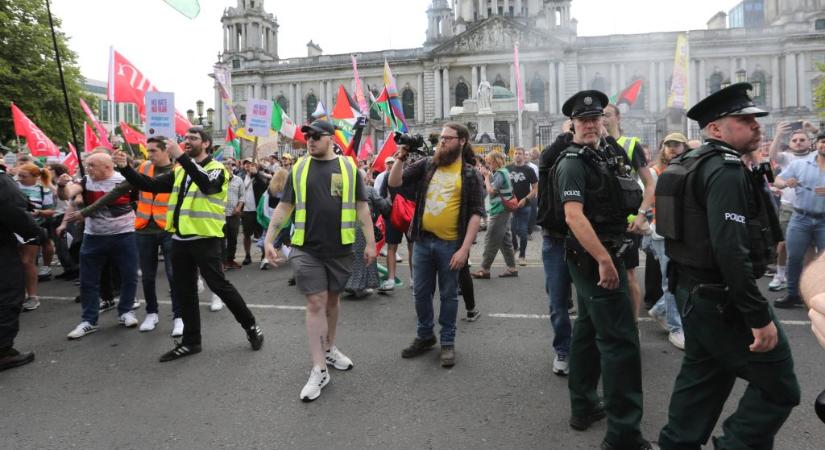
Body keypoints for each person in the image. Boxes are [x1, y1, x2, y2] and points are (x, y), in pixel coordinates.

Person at [656, 83, 800, 448]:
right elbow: (729, 250)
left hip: (693, 291)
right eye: (744, 119)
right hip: (722, 299)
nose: (756, 125)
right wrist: (757, 316)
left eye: (755, 119)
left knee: (703, 380)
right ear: (716, 129)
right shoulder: (725, 169)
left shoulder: (692, 161)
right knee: (779, 385)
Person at [112, 128, 264, 362]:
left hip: (206, 240)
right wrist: (125, 168)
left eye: (193, 138)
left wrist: (181, 157)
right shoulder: (180, 172)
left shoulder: (218, 170)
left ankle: (251, 326)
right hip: (180, 240)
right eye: (186, 138)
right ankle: (191, 341)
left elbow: (207, 186)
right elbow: (149, 184)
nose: (187, 141)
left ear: (207, 144)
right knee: (185, 291)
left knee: (220, 286)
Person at [554, 91, 652, 449]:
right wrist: (604, 261)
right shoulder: (572, 162)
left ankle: (583, 406)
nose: (592, 124)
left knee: (588, 329)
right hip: (593, 256)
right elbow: (573, 216)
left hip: (605, 248)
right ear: (573, 125)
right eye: (584, 120)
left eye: (597, 118)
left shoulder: (603, 153)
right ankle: (624, 433)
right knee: (620, 342)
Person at [263, 120, 376, 402]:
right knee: (315, 302)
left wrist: (372, 243)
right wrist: (269, 239)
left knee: (333, 303)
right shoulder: (298, 168)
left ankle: (329, 348)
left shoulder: (350, 168)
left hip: (340, 248)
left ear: (330, 138)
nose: (310, 141)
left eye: (315, 136)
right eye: (307, 137)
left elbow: (362, 207)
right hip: (306, 248)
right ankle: (319, 367)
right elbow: (284, 206)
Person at [389, 122, 484, 368]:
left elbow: (476, 213)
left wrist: (464, 250)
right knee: (420, 293)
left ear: (462, 141)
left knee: (449, 296)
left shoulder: (470, 173)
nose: (442, 142)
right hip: (422, 241)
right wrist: (401, 156)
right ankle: (424, 335)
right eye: (440, 138)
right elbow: (395, 181)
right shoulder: (428, 164)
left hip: (450, 245)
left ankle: (448, 342)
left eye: (447, 138)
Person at [76, 138, 183, 335]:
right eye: (148, 150)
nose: (148, 154)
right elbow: (119, 190)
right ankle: (151, 313)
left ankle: (179, 316)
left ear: (166, 152)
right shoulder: (143, 167)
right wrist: (87, 210)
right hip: (143, 229)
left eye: (153, 151)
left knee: (173, 275)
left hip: (170, 229)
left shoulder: (179, 170)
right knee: (148, 277)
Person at [58, 153, 141, 339]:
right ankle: (89, 320)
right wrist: (62, 184)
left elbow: (139, 200)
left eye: (92, 165)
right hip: (93, 237)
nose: (88, 169)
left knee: (129, 276)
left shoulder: (125, 180)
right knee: (88, 280)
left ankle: (126, 311)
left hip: (125, 234)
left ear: (107, 167)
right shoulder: (86, 181)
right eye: (87, 165)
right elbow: (67, 194)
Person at [604, 104, 655, 319]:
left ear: (618, 118)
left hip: (627, 221)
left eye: (607, 115)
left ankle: (633, 323)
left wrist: (642, 214)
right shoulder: (592, 145)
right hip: (601, 222)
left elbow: (649, 184)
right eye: (600, 116)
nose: (603, 119)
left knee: (629, 273)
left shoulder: (631, 145)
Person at [537, 124, 575, 376]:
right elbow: (546, 156)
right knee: (557, 301)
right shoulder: (551, 161)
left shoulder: (594, 158)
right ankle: (563, 349)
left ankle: (588, 349)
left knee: (593, 301)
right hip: (556, 238)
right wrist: (568, 134)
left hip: (589, 239)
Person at [771, 131, 825, 309]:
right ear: (816, 144)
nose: (824, 145)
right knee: (794, 258)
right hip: (800, 218)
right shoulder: (800, 164)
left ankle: (818, 295)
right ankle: (793, 294)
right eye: (822, 142)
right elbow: (777, 180)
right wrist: (786, 183)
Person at [645, 133, 688, 350]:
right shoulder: (654, 171)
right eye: (668, 145)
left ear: (684, 147)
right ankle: (675, 327)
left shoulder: (688, 169)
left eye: (676, 145)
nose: (672, 149)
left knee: (678, 280)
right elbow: (646, 201)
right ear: (662, 148)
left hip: (683, 232)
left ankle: (660, 310)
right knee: (671, 280)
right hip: (662, 233)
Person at [0, 161, 43, 371]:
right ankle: (3, 351)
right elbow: (15, 212)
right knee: (7, 294)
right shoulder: (2, 182)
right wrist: (37, 233)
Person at [767, 123, 817, 292]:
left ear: (810, 142)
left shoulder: (817, 156)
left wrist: (814, 130)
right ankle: (780, 275)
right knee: (784, 244)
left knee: (810, 246)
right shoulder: (786, 157)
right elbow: (771, 155)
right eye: (794, 140)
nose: (798, 142)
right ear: (789, 143)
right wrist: (779, 134)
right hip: (789, 207)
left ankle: (806, 278)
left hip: (812, 207)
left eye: (802, 140)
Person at [15, 163, 56, 311]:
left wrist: (38, 213)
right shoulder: (13, 187)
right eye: (19, 175)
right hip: (12, 229)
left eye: (23, 176)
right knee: (15, 262)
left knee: (27, 262)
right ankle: (18, 294)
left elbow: (51, 211)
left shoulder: (43, 190)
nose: (20, 179)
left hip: (32, 229)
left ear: (35, 177)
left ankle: (32, 296)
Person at [472, 151, 518, 279]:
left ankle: (484, 269)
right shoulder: (502, 172)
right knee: (505, 241)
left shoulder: (500, 173)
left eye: (489, 162)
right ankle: (512, 268)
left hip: (499, 210)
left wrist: (486, 177)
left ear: (495, 161)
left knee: (490, 239)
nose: (487, 164)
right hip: (503, 209)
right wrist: (487, 175)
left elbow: (491, 191)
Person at [507, 147, 538, 266]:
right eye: (516, 153)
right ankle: (515, 246)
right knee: (512, 229)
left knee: (523, 231)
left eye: (520, 153)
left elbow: (535, 188)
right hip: (511, 204)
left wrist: (526, 199)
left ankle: (522, 256)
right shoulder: (508, 168)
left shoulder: (529, 169)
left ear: (524, 155)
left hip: (525, 204)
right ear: (513, 155)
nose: (518, 155)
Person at [240, 158, 270, 265]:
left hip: (259, 210)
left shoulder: (261, 177)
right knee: (247, 234)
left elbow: (264, 186)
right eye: (246, 164)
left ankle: (264, 256)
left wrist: (256, 174)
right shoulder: (241, 177)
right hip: (246, 211)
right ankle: (247, 255)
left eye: (251, 163)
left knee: (262, 234)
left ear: (256, 166)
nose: (248, 165)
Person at [222, 159, 244, 272]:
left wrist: (238, 208)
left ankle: (230, 260)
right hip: (220, 215)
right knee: (221, 240)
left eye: (229, 165)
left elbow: (242, 196)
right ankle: (223, 261)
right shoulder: (219, 180)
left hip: (234, 214)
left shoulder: (238, 180)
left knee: (233, 239)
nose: (227, 167)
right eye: (225, 166)